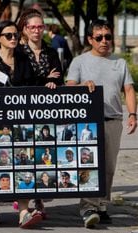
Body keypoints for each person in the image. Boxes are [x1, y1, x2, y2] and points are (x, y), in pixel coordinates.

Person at [67, 20, 137, 228]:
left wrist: (132, 114)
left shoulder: (120, 62)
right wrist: (81, 85)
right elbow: (69, 87)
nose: (104, 41)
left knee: (109, 167)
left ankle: (102, 204)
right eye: (99, 37)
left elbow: (129, 90)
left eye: (108, 36)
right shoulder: (80, 61)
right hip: (87, 122)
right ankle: (88, 206)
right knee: (90, 164)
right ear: (90, 39)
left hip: (113, 120)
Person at [16, 8, 64, 224]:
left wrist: (47, 80)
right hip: (23, 111)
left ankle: (40, 200)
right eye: (32, 27)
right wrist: (45, 78)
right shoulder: (18, 52)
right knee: (26, 155)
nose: (36, 30)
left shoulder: (51, 51)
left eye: (40, 26)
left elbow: (59, 78)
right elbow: (21, 80)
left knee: (44, 156)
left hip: (46, 111)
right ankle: (24, 198)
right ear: (25, 29)